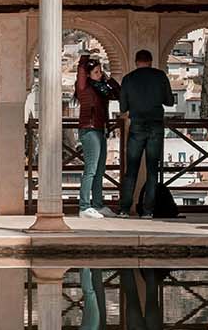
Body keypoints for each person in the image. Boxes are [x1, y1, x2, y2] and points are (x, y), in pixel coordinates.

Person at [115, 49, 174, 218]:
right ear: (151, 61)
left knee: (131, 169)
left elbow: (123, 108)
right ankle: (148, 211)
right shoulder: (160, 76)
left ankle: (125, 209)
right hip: (156, 126)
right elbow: (169, 101)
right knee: (152, 170)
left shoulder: (128, 79)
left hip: (137, 127)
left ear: (136, 62)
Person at [72, 55, 120, 219]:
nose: (99, 74)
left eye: (100, 71)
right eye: (96, 72)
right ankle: (84, 206)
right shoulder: (84, 87)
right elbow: (81, 73)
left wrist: (108, 79)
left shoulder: (102, 89)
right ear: (88, 74)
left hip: (100, 129)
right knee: (91, 170)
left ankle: (98, 205)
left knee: (100, 170)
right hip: (89, 129)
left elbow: (118, 94)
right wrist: (84, 59)